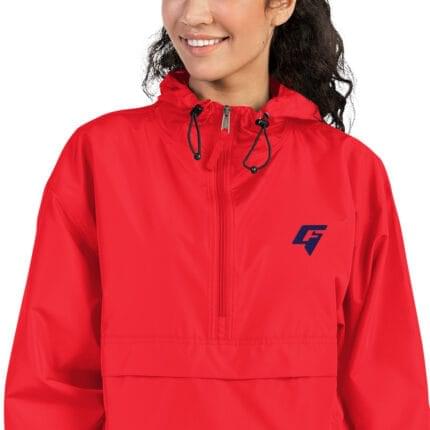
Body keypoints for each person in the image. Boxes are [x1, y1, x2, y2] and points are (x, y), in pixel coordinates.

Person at [4, 0, 430, 429]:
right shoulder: (100, 157)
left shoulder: (349, 172)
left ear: (280, 5)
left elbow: (386, 382)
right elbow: (51, 375)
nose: (192, 15)